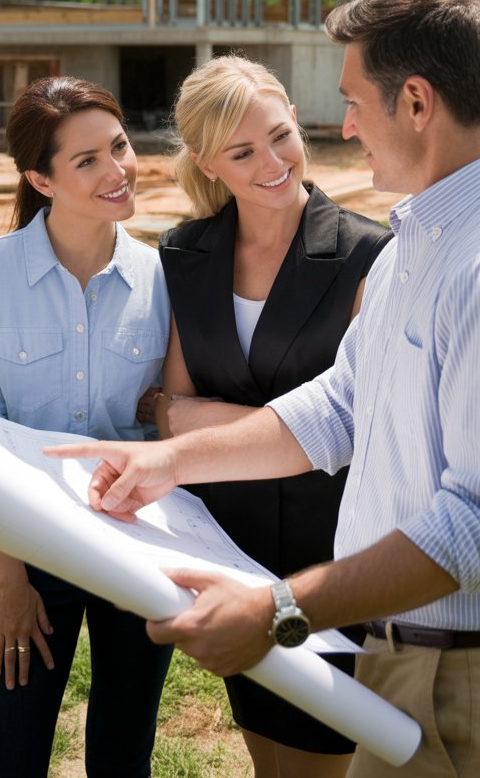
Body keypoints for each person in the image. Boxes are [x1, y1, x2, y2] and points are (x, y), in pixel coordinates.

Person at [46, 0, 480, 778]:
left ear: (415, 103)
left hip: (473, 682)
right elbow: (339, 406)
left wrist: (278, 608)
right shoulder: (421, 243)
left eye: (353, 101)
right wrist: (170, 459)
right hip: (409, 658)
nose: (343, 126)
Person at [136, 54, 391, 778]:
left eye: (281, 136)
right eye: (243, 152)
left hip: (332, 558)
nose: (274, 162)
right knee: (267, 762)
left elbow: (358, 424)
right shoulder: (185, 254)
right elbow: (168, 413)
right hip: (230, 552)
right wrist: (196, 417)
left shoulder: (370, 255)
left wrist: (197, 416)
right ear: (208, 164)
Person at [0, 76, 173, 778]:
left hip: (136, 548)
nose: (118, 170)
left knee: (123, 755)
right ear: (40, 180)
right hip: (27, 544)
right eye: (87, 161)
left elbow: (169, 424)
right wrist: (10, 581)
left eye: (120, 146)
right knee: (7, 757)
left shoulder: (165, 277)